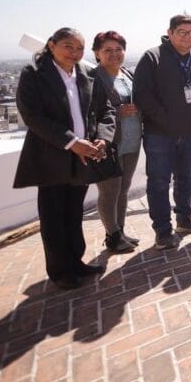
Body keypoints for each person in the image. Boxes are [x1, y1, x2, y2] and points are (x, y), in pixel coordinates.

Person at [14, 28, 115, 289]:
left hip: (83, 158)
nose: (74, 53)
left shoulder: (87, 74)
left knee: (73, 212)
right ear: (51, 45)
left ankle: (76, 262)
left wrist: (102, 138)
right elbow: (32, 116)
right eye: (68, 47)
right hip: (52, 157)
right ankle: (60, 271)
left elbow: (105, 111)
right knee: (53, 215)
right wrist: (71, 142)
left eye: (79, 49)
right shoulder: (34, 75)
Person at [134, 14, 191, 249]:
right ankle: (162, 231)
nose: (188, 37)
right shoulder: (153, 57)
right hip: (160, 134)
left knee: (186, 178)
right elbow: (142, 95)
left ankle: (184, 220)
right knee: (159, 182)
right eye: (182, 32)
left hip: (190, 133)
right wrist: (166, 121)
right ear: (170, 33)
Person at [89, 31, 142, 253]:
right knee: (109, 191)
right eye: (107, 50)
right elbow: (89, 112)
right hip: (108, 143)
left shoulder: (127, 75)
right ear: (96, 53)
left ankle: (120, 231)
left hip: (131, 141)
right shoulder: (93, 79)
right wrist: (116, 112)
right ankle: (112, 236)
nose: (114, 54)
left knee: (124, 189)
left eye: (118, 49)